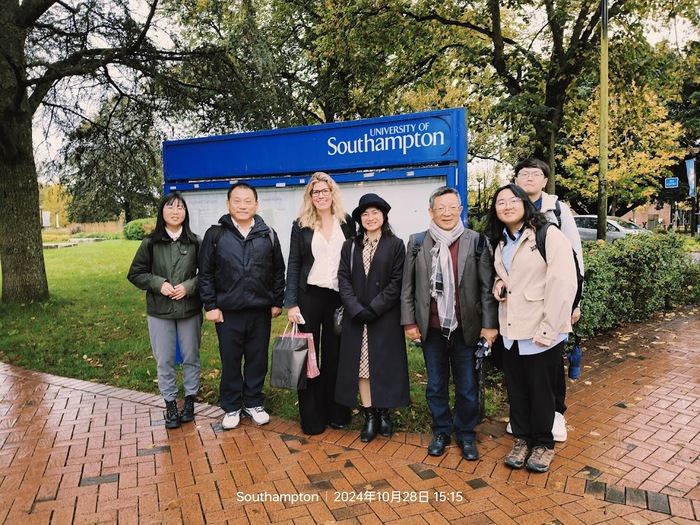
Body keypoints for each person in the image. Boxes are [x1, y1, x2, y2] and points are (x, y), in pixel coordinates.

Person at [401, 186, 498, 460]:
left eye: (451, 207)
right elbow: (407, 287)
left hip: (465, 328)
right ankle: (441, 430)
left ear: (460, 209)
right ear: (431, 211)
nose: (446, 213)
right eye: (440, 208)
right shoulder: (417, 242)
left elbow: (486, 287)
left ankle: (466, 434)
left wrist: (489, 325)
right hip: (430, 328)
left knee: (467, 386)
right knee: (435, 385)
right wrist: (409, 322)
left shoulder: (476, 241)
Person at [486, 183, 577, 473]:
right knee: (518, 390)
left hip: (541, 330)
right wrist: (498, 284)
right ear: (495, 210)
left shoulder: (547, 234)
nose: (507, 206)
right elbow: (506, 277)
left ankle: (543, 444)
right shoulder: (499, 242)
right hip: (512, 329)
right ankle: (522, 440)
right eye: (500, 202)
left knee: (542, 392)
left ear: (526, 203)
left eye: (513, 200)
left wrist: (550, 328)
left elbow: (563, 283)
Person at [198, 182, 285, 430]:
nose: (243, 205)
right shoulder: (215, 235)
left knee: (257, 359)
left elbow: (279, 271)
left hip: (260, 310)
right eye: (237, 200)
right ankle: (232, 406)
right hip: (228, 312)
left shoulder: (268, 233)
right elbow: (205, 273)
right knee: (231, 360)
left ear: (256, 204)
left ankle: (254, 402)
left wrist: (276, 301)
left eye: (248, 201)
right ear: (228, 204)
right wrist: (211, 306)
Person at [512, 158, 584, 442]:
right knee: (523, 364)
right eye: (523, 173)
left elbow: (575, 258)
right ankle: (529, 415)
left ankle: (555, 414)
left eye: (535, 174)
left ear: (545, 180)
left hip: (554, 302)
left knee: (552, 362)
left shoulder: (557, 209)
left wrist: (575, 302)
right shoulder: (511, 208)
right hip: (522, 305)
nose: (529, 178)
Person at [285, 172, 356, 434]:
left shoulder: (347, 223)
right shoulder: (300, 224)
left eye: (325, 190)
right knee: (308, 358)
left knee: (335, 355)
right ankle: (312, 418)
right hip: (309, 296)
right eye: (316, 192)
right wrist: (291, 303)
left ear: (332, 193)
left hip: (338, 297)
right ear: (310, 196)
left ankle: (336, 413)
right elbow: (294, 263)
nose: (321, 195)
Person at [336, 194, 409, 443]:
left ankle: (384, 412)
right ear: (360, 219)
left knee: (385, 365)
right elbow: (343, 280)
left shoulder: (396, 244)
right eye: (365, 214)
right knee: (362, 366)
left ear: (384, 215)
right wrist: (356, 309)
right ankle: (369, 415)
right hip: (356, 317)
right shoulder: (350, 245)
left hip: (384, 317)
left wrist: (375, 308)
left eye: (375, 212)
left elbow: (397, 281)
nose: (370, 217)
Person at [127, 192, 202, 429]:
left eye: (180, 207)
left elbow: (208, 275)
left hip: (189, 310)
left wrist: (190, 287)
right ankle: (170, 404)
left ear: (185, 213)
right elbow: (136, 274)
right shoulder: (150, 243)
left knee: (191, 357)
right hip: (159, 311)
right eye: (170, 207)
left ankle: (189, 401)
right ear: (162, 211)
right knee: (165, 360)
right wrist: (159, 284)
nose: (175, 211)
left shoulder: (195, 242)